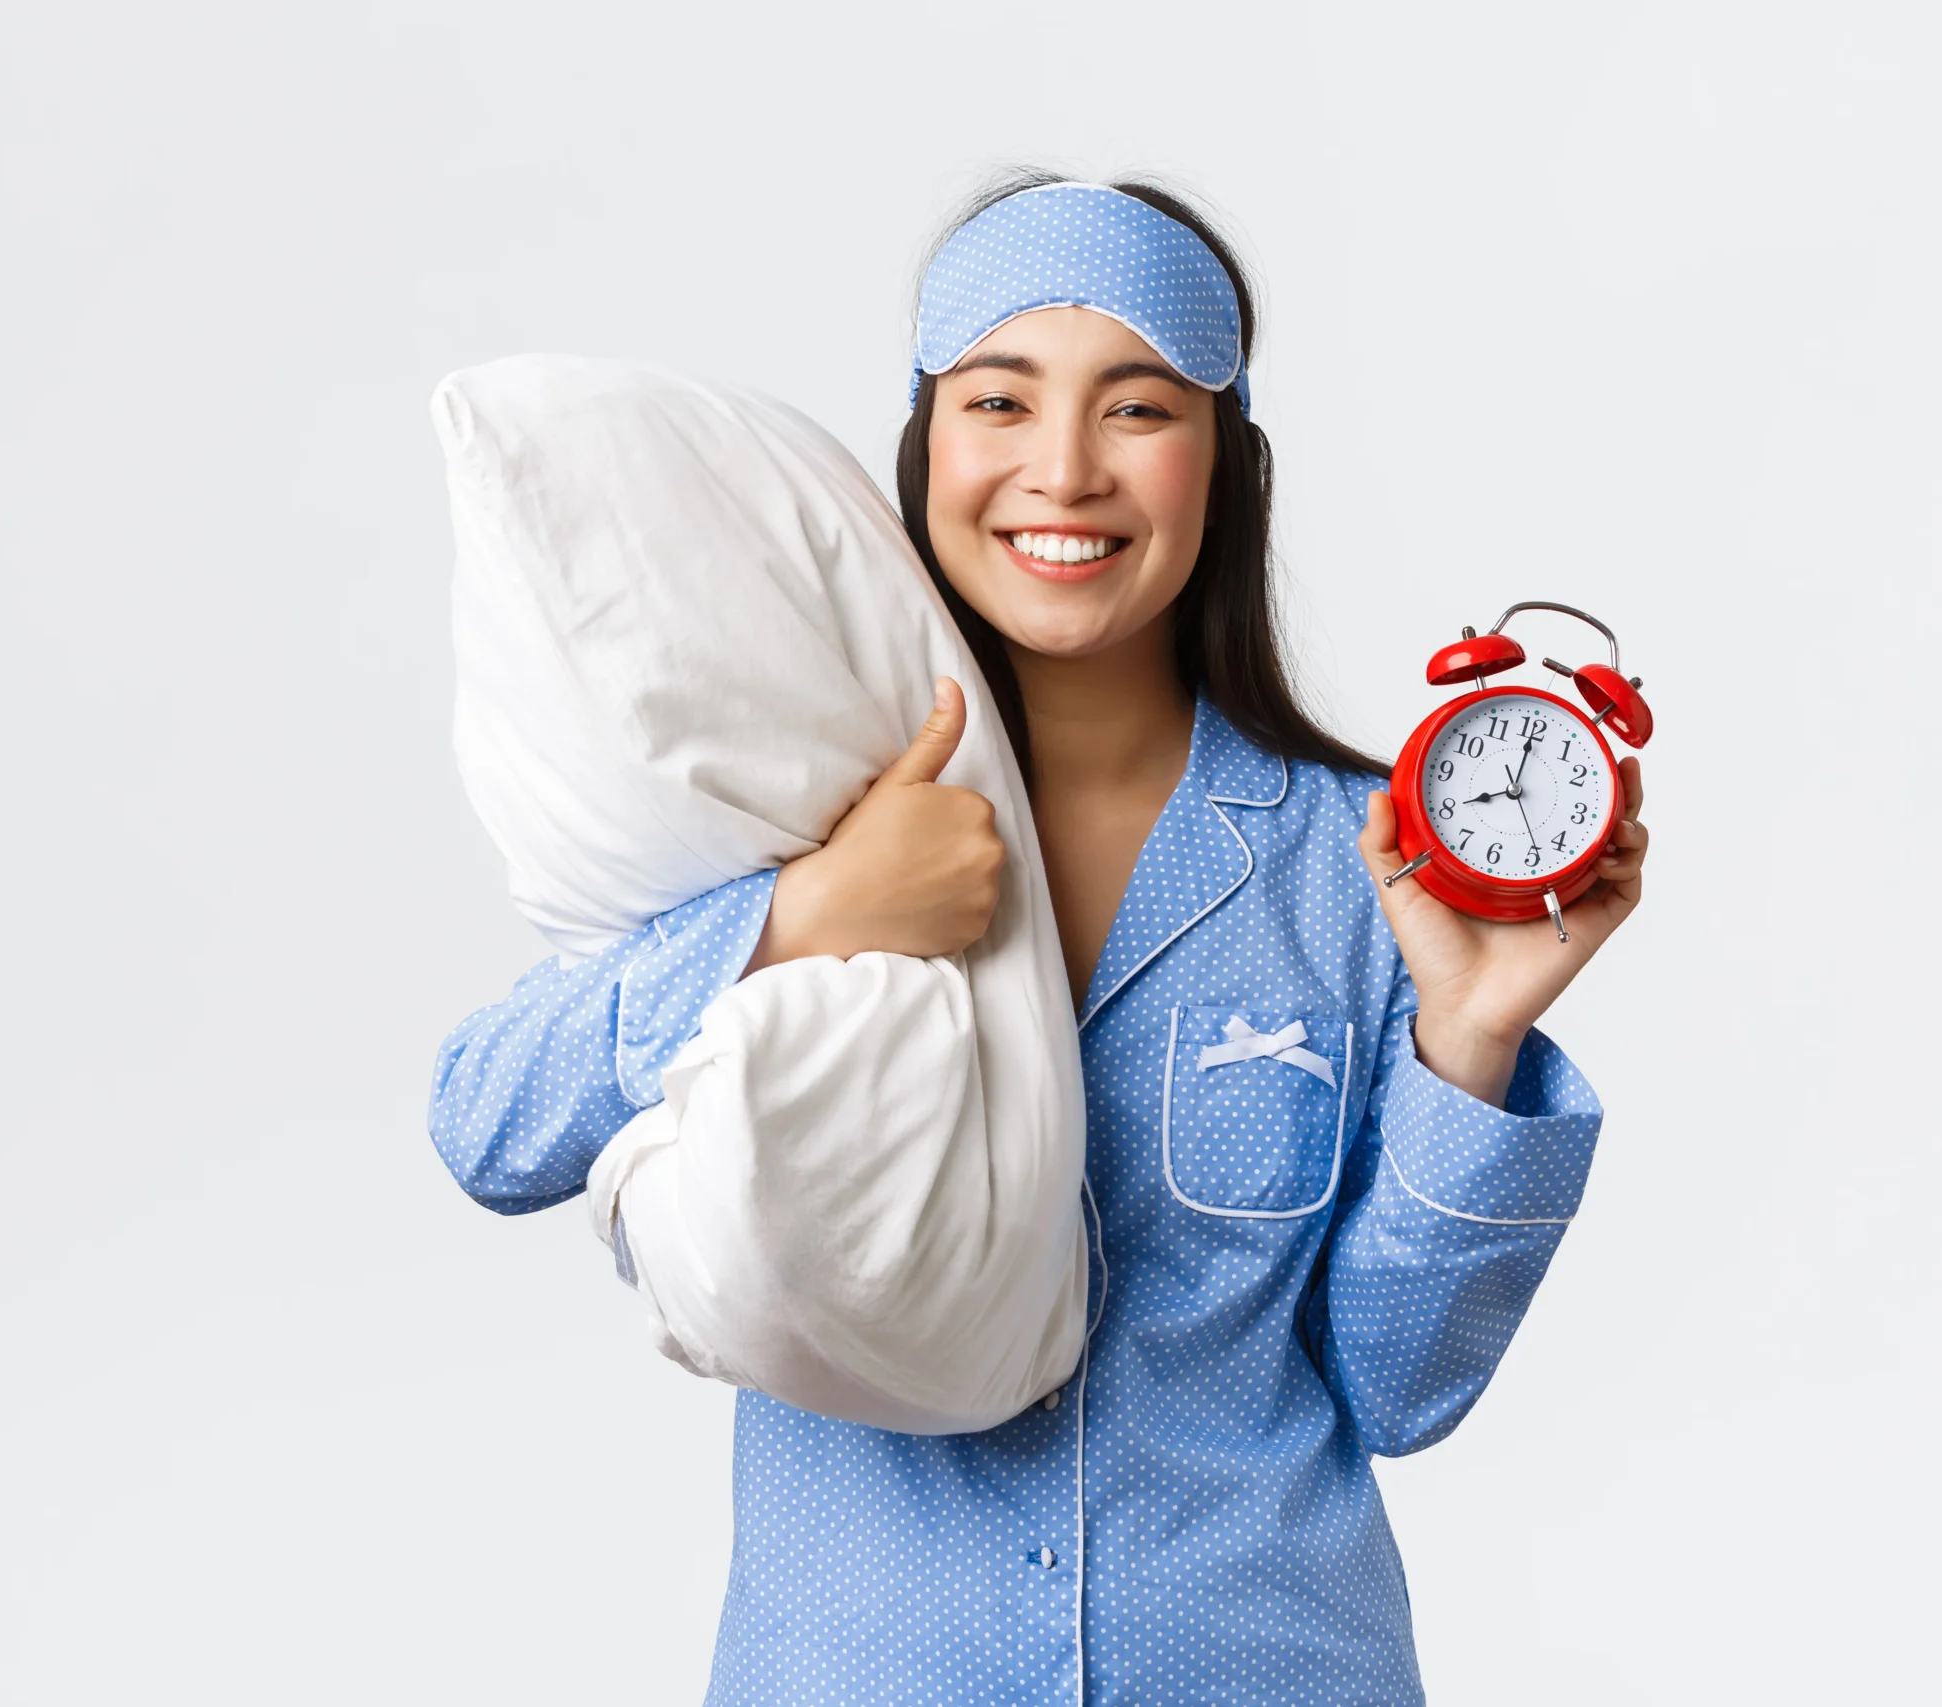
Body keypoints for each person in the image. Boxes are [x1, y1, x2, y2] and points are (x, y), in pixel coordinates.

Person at [430, 174, 1651, 1706]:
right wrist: (798, 920)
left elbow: (1398, 1389)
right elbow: (487, 1126)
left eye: (1139, 409)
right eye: (999, 401)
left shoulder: (1368, 864)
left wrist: (1470, 1042)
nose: (1062, 472)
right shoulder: (801, 806)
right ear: (927, 445)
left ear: (1226, 465)